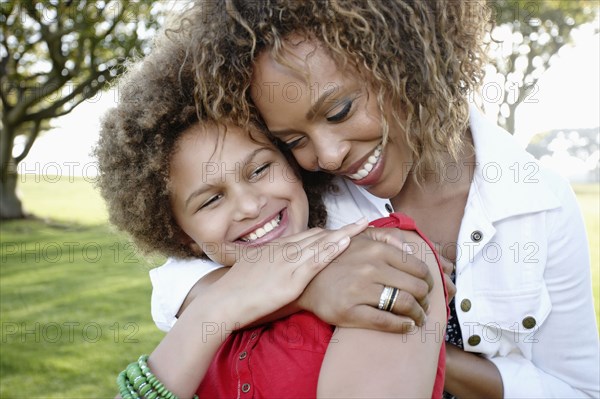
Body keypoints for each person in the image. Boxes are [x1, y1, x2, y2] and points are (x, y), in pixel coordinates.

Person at [152, 0, 600, 397]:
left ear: (406, 62)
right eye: (292, 140)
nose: (327, 155)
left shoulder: (539, 203)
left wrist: (421, 339)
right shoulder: (304, 195)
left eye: (340, 110)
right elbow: (176, 284)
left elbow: (576, 388)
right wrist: (310, 289)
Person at [96, 32, 449, 398]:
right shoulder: (205, 306)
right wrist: (216, 309)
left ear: (292, 164)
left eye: (260, 170)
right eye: (211, 200)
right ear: (181, 235)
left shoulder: (382, 256)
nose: (250, 206)